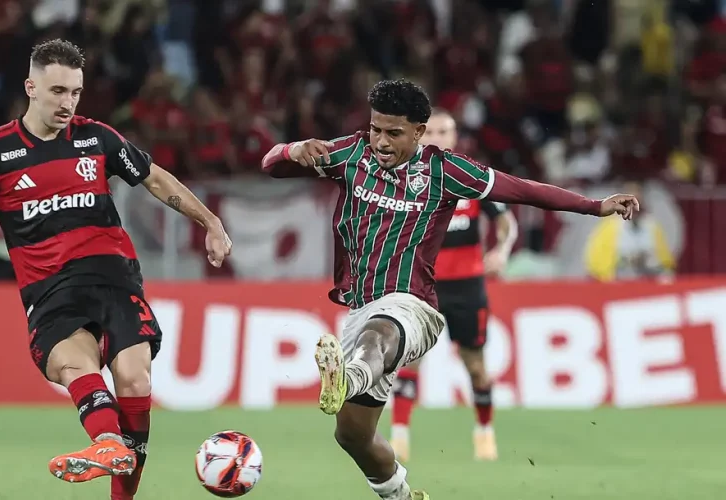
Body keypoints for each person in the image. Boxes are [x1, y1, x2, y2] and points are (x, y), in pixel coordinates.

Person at [261, 79, 638, 500]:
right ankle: (402, 495)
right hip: (361, 308)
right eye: (376, 129)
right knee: (351, 435)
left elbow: (523, 190)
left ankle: (347, 377)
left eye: (394, 133)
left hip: (413, 307)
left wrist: (594, 205)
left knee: (380, 332)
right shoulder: (351, 152)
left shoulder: (444, 170)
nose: (381, 142)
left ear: (419, 132)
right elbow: (270, 165)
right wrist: (291, 150)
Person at [0, 39, 232, 499]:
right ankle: (107, 443)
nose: (68, 103)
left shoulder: (97, 137)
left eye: (76, 93)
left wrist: (211, 222)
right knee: (70, 364)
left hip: (113, 275)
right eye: (58, 91)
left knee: (134, 378)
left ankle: (110, 453)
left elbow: (155, 178)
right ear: (31, 87)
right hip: (49, 289)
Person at [390, 109, 519, 462]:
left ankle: (484, 432)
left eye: (443, 131)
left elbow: (506, 221)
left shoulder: (473, 178)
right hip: (421, 286)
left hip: (467, 286)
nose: (436, 136)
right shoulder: (402, 178)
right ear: (418, 135)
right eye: (429, 131)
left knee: (475, 364)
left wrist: (502, 250)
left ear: (454, 137)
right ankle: (399, 437)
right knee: (409, 359)